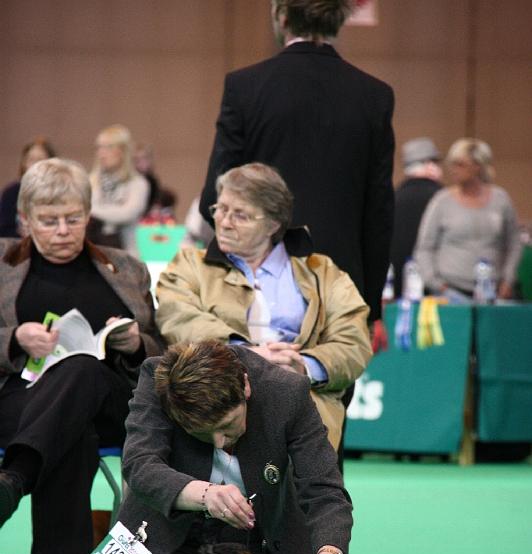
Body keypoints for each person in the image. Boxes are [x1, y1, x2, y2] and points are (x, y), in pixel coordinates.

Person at [156, 162, 372, 554]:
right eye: (220, 209)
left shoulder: (322, 272)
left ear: (274, 223)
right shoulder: (190, 265)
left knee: (302, 432)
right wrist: (246, 355)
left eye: (240, 213)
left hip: (302, 393)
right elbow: (177, 318)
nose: (223, 220)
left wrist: (304, 366)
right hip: (216, 388)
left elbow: (354, 340)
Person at [90, 340, 354, 554]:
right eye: (201, 433)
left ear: (244, 386)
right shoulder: (157, 380)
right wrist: (203, 494)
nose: (219, 442)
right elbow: (139, 465)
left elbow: (324, 489)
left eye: (228, 425)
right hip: (159, 535)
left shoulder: (287, 391)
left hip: (250, 547)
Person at [0, 158, 164, 554]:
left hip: (111, 397)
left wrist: (137, 343)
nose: (62, 231)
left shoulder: (128, 268)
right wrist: (13, 339)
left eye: (73, 219)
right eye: (48, 221)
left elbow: (163, 349)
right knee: (73, 434)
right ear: (25, 220)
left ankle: (14, 480)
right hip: (21, 398)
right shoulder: (1, 266)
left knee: (81, 372)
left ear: (89, 214)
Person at [199, 0, 395, 326]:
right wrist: (370, 308)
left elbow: (213, 198)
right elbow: (379, 217)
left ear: (282, 16)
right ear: (339, 20)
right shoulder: (375, 96)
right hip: (340, 288)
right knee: (330, 376)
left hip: (256, 284)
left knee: (254, 377)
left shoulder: (244, 87)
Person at [414, 138, 522, 301]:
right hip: (450, 291)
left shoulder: (501, 200)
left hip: (493, 291)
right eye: (453, 164)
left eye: (460, 164)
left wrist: (508, 280)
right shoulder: (441, 201)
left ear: (478, 166)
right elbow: (424, 248)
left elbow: (514, 244)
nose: (453, 170)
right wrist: (437, 285)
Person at [390, 137, 443, 298]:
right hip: (436, 287)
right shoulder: (442, 198)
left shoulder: (393, 197)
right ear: (429, 165)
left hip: (397, 287)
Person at [89, 124, 150, 256]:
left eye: (108, 147)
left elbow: (127, 214)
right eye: (99, 147)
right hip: (94, 253)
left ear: (122, 151)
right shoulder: (90, 181)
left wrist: (93, 210)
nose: (101, 153)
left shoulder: (138, 183)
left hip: (126, 255)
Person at [0, 137, 56, 237]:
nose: (35, 164)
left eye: (40, 159)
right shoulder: (11, 193)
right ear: (24, 163)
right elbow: (4, 229)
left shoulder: (59, 192)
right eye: (31, 159)